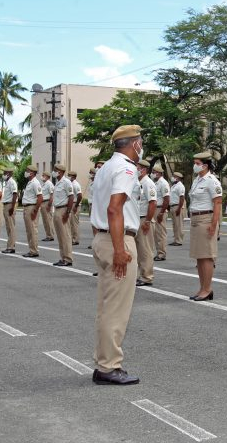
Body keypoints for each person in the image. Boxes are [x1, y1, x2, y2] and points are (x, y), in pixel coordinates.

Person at [90, 124, 142, 386]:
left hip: (102, 237)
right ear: (134, 144)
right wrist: (120, 248)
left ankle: (103, 363)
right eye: (140, 141)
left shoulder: (105, 168)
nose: (141, 146)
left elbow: (98, 205)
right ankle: (109, 366)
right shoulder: (126, 168)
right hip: (117, 240)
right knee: (116, 309)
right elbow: (114, 209)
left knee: (106, 306)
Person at [188, 152, 222, 301]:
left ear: (205, 165)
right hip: (196, 219)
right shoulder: (197, 180)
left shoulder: (212, 181)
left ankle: (207, 289)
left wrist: (214, 225)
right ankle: (202, 287)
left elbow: (218, 203)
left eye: (197, 163)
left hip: (206, 219)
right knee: (199, 257)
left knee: (207, 256)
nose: (195, 166)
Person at [135, 160, 157, 286]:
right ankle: (140, 274)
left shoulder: (148, 183)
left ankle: (147, 276)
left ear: (143, 169)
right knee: (138, 250)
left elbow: (152, 203)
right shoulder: (139, 182)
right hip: (137, 218)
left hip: (144, 219)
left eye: (137, 167)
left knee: (145, 249)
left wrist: (148, 221)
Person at [51, 164, 75, 266]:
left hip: (63, 210)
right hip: (57, 210)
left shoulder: (66, 182)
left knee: (65, 235)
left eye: (55, 170)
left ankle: (68, 259)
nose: (53, 172)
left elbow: (71, 197)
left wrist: (68, 212)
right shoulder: (57, 183)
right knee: (60, 236)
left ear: (60, 172)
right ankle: (63, 257)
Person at [21, 165, 43, 258]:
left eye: (27, 170)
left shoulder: (35, 183)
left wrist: (35, 210)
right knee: (29, 230)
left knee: (32, 230)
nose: (26, 172)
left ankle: (34, 251)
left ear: (32, 173)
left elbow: (40, 197)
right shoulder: (30, 182)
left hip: (31, 207)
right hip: (27, 207)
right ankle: (31, 249)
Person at [151, 165, 170, 261]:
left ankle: (162, 254)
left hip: (160, 209)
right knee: (156, 233)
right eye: (153, 171)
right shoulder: (156, 183)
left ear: (160, 173)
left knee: (160, 233)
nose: (153, 173)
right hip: (155, 209)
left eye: (154, 172)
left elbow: (166, 199)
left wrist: (161, 213)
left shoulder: (163, 183)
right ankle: (159, 252)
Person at [0, 167, 18, 254]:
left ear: (9, 174)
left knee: (11, 227)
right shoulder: (8, 182)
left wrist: (12, 207)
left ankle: (11, 247)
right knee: (8, 227)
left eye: (5, 173)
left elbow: (15, 194)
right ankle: (10, 245)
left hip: (10, 205)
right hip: (6, 205)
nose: (3, 175)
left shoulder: (12, 182)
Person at [168, 172, 186, 246]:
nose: (172, 177)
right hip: (173, 206)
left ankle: (179, 240)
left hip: (177, 206)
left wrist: (179, 208)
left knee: (179, 224)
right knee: (175, 224)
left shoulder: (180, 186)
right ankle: (176, 239)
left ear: (178, 177)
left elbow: (182, 198)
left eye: (174, 176)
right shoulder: (174, 186)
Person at [40, 171, 55, 242]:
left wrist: (49, 205)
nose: (42, 176)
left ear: (48, 177)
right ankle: (48, 235)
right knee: (45, 220)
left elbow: (52, 195)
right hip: (43, 203)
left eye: (44, 175)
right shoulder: (44, 184)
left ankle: (50, 235)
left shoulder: (49, 184)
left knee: (48, 220)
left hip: (47, 203)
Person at [68, 171, 82, 245]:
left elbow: (80, 195)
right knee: (71, 223)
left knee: (74, 223)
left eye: (69, 175)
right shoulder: (71, 184)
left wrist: (76, 206)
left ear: (73, 176)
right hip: (71, 204)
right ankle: (72, 238)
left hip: (75, 204)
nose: (68, 177)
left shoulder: (76, 185)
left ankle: (75, 239)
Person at [86, 167, 95, 249]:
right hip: (90, 204)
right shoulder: (91, 183)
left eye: (91, 172)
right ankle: (95, 241)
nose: (89, 174)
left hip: (94, 205)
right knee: (93, 225)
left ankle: (96, 243)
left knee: (95, 225)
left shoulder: (96, 183)